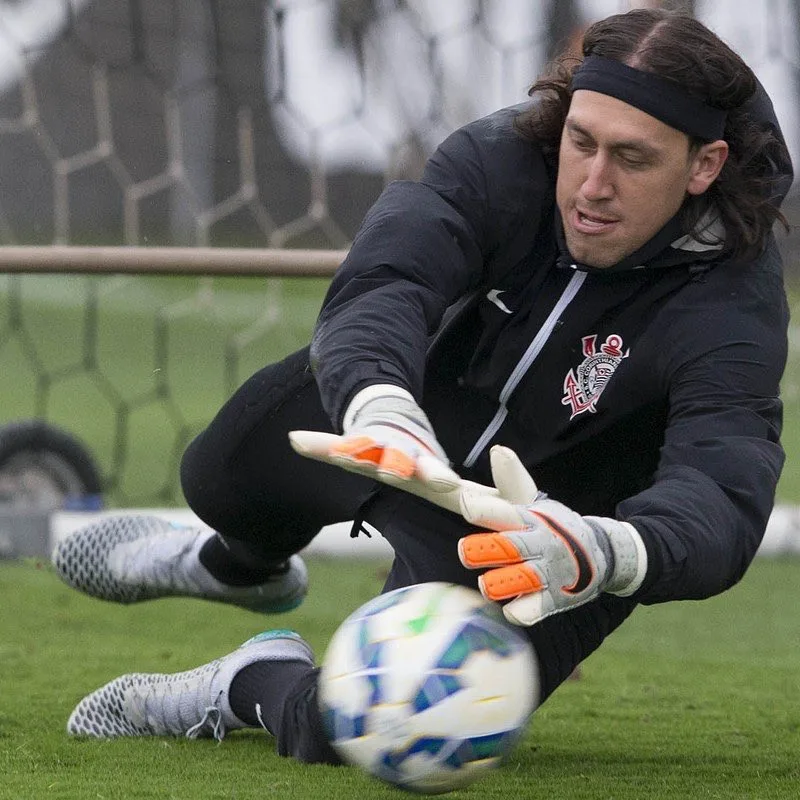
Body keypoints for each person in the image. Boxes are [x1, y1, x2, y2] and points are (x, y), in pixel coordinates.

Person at [53, 7, 792, 766]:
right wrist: (382, 403)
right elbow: (388, 280)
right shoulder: (500, 157)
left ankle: (250, 678)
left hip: (537, 540)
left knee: (377, 723)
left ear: (703, 166)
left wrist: (609, 552)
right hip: (395, 426)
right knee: (215, 476)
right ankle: (238, 567)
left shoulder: (735, 298)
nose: (593, 185)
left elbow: (721, 487)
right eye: (582, 142)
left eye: (632, 160)